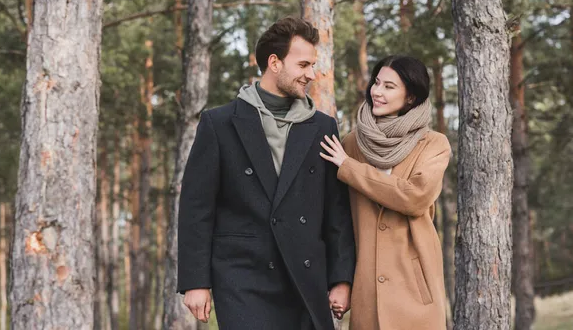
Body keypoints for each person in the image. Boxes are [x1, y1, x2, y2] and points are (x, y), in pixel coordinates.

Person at [177, 16, 356, 330]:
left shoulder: (322, 126)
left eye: (312, 66)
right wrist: (195, 281)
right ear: (274, 62)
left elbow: (336, 210)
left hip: (304, 275)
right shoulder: (219, 124)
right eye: (303, 65)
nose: (311, 75)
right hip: (242, 278)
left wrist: (342, 278)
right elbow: (196, 208)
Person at [320, 55, 451, 330]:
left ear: (411, 97)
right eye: (377, 83)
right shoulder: (351, 145)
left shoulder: (434, 144)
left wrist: (350, 168)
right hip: (367, 293)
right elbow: (338, 220)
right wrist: (341, 281)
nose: (377, 92)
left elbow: (414, 197)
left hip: (415, 292)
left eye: (389, 86)